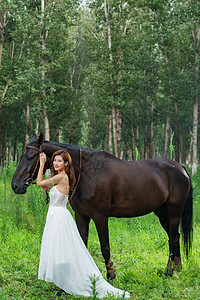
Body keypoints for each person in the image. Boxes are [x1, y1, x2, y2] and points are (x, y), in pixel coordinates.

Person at [37, 149, 130, 299]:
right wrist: (51, 189)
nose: (55, 163)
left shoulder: (61, 176)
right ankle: (65, 280)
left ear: (66, 163)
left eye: (59, 161)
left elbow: (39, 182)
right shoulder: (62, 177)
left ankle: (68, 282)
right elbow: (50, 188)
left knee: (61, 249)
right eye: (54, 160)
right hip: (56, 216)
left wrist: (42, 164)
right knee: (59, 249)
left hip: (59, 217)